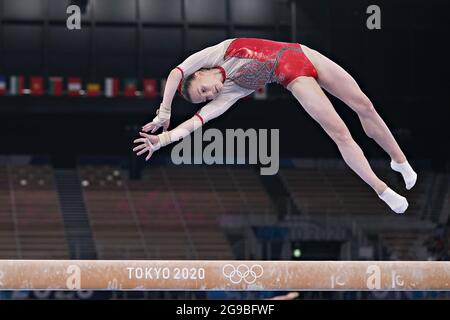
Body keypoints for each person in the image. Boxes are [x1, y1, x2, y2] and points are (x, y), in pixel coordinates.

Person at [133, 38, 417, 214]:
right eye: (204, 98)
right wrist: (164, 139)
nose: (210, 95)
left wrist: (164, 112)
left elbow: (176, 72)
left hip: (305, 53)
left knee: (364, 105)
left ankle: (400, 160)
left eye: (204, 90)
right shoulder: (231, 92)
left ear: (203, 73)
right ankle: (382, 190)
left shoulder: (218, 53)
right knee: (340, 132)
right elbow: (196, 122)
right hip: (293, 76)